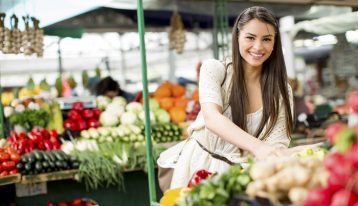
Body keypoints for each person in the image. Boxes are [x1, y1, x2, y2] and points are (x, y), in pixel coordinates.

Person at [157, 6, 294, 190]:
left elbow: (278, 141)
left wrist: (275, 156)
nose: (258, 47)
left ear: (275, 43)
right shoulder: (214, 69)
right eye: (250, 37)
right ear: (237, 37)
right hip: (198, 168)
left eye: (267, 39)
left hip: (242, 177)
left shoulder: (281, 90)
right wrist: (259, 148)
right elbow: (212, 119)